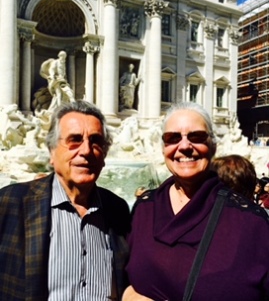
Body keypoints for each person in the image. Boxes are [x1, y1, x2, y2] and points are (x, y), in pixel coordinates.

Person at [123, 101, 269, 301]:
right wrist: (129, 295)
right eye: (173, 138)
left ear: (213, 146)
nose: (184, 146)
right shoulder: (143, 210)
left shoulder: (252, 223)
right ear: (163, 147)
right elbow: (122, 276)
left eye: (197, 137)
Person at [0, 100, 131, 301]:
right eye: (74, 140)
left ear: (104, 155)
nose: (86, 151)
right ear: (52, 153)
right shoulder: (10, 203)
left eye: (95, 141)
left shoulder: (117, 209)